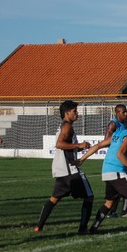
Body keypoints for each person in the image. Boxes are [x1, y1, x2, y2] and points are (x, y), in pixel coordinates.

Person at [78, 112, 127, 240]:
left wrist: (82, 159)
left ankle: (93, 229)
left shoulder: (117, 134)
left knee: (109, 203)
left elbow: (98, 145)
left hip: (106, 171)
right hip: (117, 172)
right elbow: (120, 155)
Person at [35, 100, 94, 235]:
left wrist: (80, 147)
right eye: (74, 111)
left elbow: (65, 147)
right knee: (89, 197)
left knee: (54, 199)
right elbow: (60, 144)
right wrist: (79, 146)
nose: (77, 114)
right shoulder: (67, 127)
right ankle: (83, 229)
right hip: (70, 171)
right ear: (67, 113)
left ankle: (39, 225)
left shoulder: (63, 126)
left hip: (61, 171)